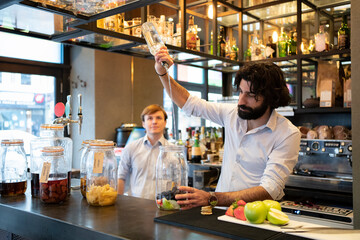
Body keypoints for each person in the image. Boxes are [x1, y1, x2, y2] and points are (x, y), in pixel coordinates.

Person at [154, 47, 301, 210]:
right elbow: (190, 104)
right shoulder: (232, 114)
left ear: (271, 98)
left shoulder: (288, 134)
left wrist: (211, 198)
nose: (241, 101)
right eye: (241, 92)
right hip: (221, 213)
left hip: (257, 219)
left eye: (251, 95)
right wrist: (162, 73)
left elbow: (269, 190)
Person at [117, 104, 170, 200]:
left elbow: (178, 182)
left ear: (165, 122)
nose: (154, 122)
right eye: (149, 118)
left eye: (158, 118)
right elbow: (121, 177)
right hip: (135, 206)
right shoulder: (131, 148)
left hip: (164, 206)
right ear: (143, 124)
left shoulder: (173, 151)